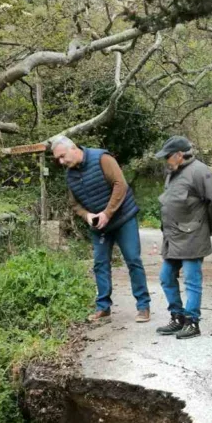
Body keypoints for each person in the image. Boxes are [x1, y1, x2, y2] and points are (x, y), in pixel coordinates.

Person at [50, 136, 151, 323]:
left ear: (73, 148)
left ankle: (143, 306)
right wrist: (87, 215)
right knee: (100, 264)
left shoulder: (102, 158)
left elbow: (120, 185)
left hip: (123, 219)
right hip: (99, 225)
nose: (62, 162)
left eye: (63, 156)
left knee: (133, 260)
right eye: (58, 159)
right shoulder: (70, 174)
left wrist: (107, 213)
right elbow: (74, 203)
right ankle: (103, 308)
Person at [154, 136, 212, 339]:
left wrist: (206, 226)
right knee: (166, 276)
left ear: (179, 155)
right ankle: (177, 317)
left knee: (191, 280)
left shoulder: (200, 171)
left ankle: (192, 322)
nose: (165, 160)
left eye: (168, 156)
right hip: (173, 237)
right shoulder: (172, 173)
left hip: (193, 236)